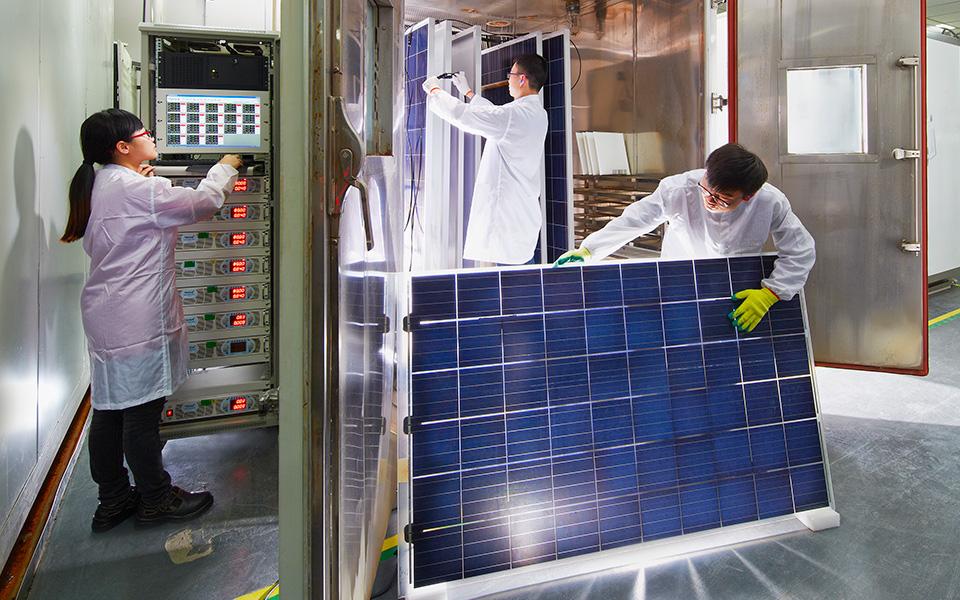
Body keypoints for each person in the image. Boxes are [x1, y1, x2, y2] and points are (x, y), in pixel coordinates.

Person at [61, 108, 242, 532]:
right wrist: (225, 167)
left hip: (109, 314)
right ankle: (156, 499)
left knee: (108, 412)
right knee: (140, 417)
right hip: (137, 317)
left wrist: (143, 180)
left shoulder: (108, 182)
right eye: (145, 132)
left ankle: (113, 501)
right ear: (123, 147)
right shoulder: (136, 189)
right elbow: (201, 202)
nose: (153, 135)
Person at [555, 143, 815, 332]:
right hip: (679, 283)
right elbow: (634, 220)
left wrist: (771, 293)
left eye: (722, 199)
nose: (710, 201)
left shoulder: (770, 201)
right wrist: (589, 250)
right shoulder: (678, 189)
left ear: (748, 196)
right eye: (707, 190)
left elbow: (800, 249)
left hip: (734, 289)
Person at [422, 54, 549, 265]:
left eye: (511, 74)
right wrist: (469, 93)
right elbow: (496, 115)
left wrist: (435, 91)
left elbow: (463, 116)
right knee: (524, 284)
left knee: (511, 291)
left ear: (522, 79)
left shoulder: (514, 116)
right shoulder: (537, 114)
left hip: (506, 225)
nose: (508, 79)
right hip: (522, 221)